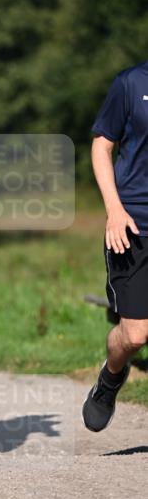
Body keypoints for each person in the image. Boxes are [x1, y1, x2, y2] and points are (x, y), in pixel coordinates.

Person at [82, 60, 148, 431]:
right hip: (134, 223)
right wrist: (114, 210)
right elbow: (101, 146)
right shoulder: (130, 83)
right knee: (135, 333)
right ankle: (110, 378)